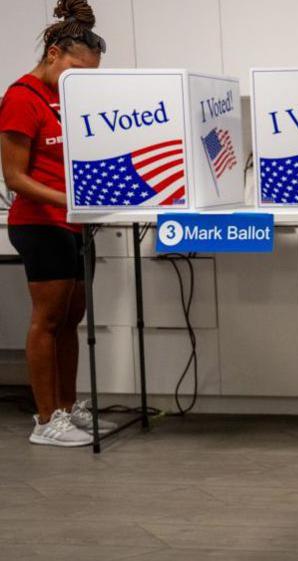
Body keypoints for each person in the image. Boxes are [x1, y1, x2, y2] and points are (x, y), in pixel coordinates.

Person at [0, 0, 116, 447]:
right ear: (54, 54)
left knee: (72, 318)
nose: (83, 82)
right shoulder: (21, 98)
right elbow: (15, 177)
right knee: (48, 320)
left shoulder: (63, 97)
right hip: (39, 222)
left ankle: (68, 409)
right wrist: (70, 198)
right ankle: (46, 420)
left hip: (74, 223)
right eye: (78, 71)